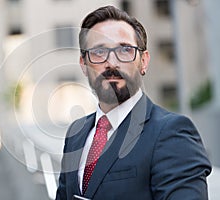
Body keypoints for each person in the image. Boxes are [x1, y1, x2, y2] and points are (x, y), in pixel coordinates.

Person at [55, 5, 211, 200]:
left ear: (143, 61)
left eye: (125, 49)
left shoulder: (171, 133)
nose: (111, 62)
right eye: (98, 51)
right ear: (84, 64)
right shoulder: (75, 135)